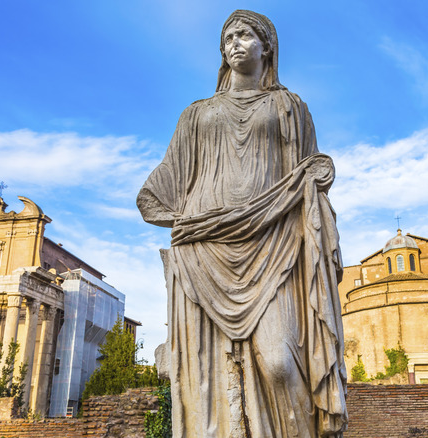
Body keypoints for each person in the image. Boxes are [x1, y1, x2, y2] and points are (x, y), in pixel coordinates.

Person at [137, 10, 347, 437]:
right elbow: (157, 191)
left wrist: (318, 178)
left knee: (280, 363)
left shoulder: (289, 106)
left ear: (266, 45)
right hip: (204, 251)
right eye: (228, 37)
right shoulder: (196, 114)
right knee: (205, 375)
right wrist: (187, 222)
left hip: (274, 244)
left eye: (245, 35)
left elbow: (305, 178)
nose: (235, 43)